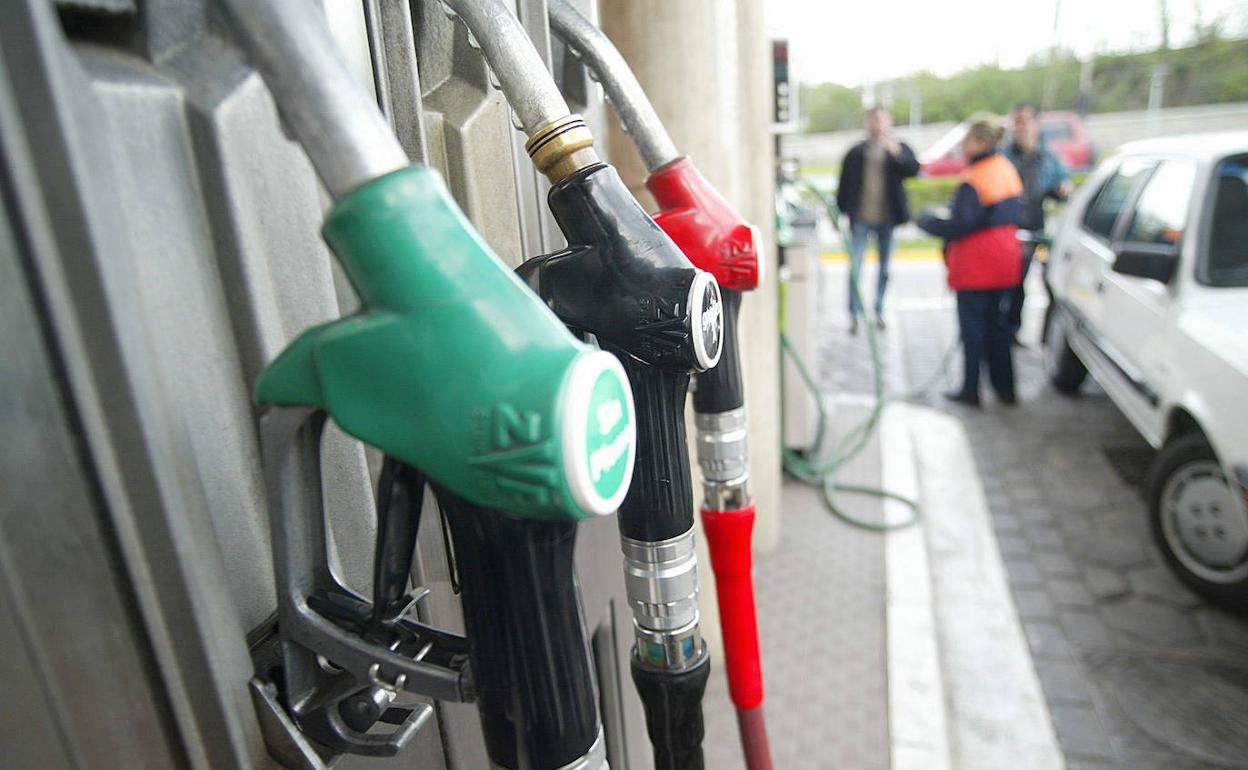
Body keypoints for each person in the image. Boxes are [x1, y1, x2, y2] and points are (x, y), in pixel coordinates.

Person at [917, 115, 1024, 407]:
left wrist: (927, 222)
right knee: (999, 328)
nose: (964, 145)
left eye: (968, 139)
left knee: (973, 329)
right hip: (1005, 260)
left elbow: (961, 224)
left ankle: (970, 389)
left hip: (977, 265)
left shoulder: (975, 177)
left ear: (983, 142)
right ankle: (1006, 389)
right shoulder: (1005, 168)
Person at [836, 106, 920, 334]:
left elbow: (914, 170)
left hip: (887, 219)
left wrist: (897, 154)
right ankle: (854, 314)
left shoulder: (898, 148)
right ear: (867, 123)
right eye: (874, 120)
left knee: (884, 268)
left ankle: (879, 310)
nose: (878, 125)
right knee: (856, 267)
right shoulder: (856, 152)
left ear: (890, 122)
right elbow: (843, 185)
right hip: (861, 217)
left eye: (882, 120)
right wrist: (840, 213)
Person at [1002, 102, 1073, 343]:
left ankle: (1047, 335)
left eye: (1025, 121)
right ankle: (1010, 330)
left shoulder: (1048, 157)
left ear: (1036, 124)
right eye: (1016, 121)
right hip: (1012, 231)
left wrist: (1063, 188)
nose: (1020, 127)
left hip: (1038, 232)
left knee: (1047, 278)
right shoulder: (1005, 156)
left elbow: (1062, 181)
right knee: (1014, 283)